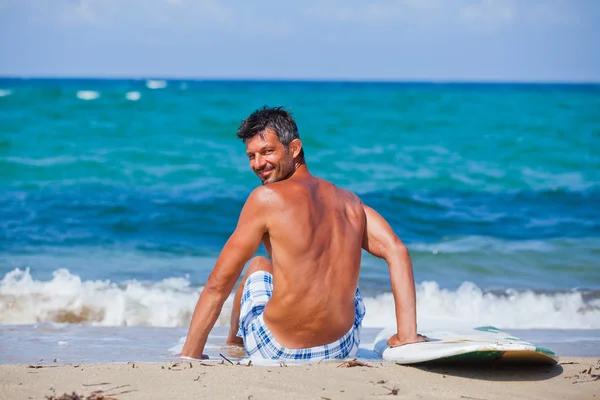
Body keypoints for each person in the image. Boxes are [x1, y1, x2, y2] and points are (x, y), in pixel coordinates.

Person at [181, 106, 427, 361]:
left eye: (267, 152)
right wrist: (407, 334)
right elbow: (397, 250)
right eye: (251, 156)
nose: (258, 164)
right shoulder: (350, 202)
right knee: (339, 270)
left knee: (257, 265)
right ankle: (408, 333)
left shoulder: (265, 199)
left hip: (277, 350)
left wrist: (190, 355)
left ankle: (235, 341)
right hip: (343, 346)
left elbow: (217, 284)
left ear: (295, 148)